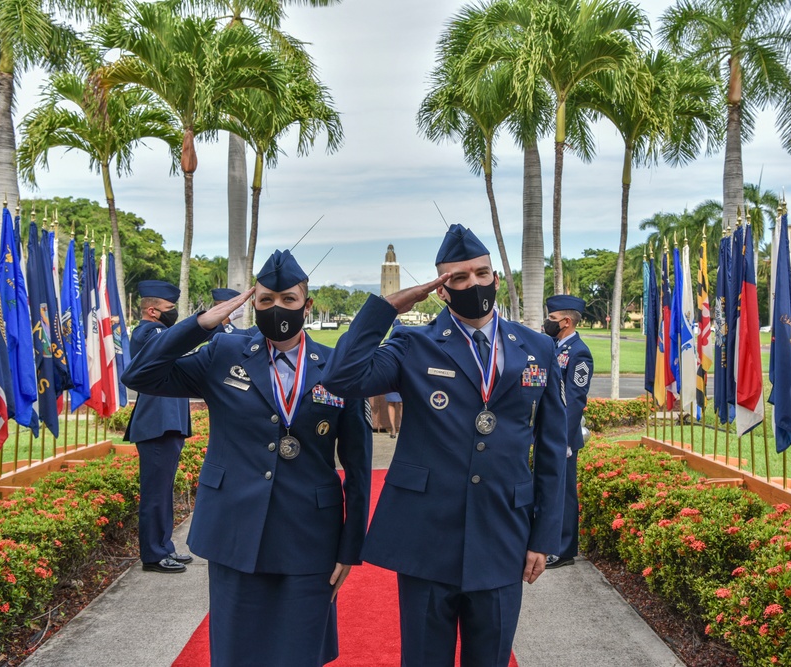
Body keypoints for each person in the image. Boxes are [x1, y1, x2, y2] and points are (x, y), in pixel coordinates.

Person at [322, 224, 567, 667]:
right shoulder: (412, 344)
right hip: (426, 535)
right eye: (458, 278)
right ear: (442, 290)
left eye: (481, 273)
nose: (473, 283)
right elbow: (341, 377)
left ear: (494, 275)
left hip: (503, 534)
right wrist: (385, 309)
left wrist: (545, 536)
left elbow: (551, 449)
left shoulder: (537, 348)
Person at [122, 250, 372, 667]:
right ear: (253, 304)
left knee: (301, 650)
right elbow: (141, 374)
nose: (278, 309)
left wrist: (350, 547)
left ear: (306, 305)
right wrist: (200, 325)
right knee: (238, 652)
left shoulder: (335, 366)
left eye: (289, 300)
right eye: (267, 300)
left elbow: (359, 467)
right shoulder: (222, 354)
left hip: (310, 536)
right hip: (234, 529)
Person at [125, 280, 193, 574]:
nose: (173, 312)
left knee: (163, 490)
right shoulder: (148, 332)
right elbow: (173, 343)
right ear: (152, 311)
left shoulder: (160, 332)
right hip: (157, 423)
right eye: (169, 308)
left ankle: (164, 546)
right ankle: (153, 554)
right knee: (155, 492)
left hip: (168, 421)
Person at [543, 295, 594, 569]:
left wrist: (562, 438)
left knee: (563, 492)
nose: (547, 323)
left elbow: (575, 400)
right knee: (548, 489)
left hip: (563, 437)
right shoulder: (553, 345)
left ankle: (564, 550)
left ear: (565, 321)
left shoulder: (579, 352)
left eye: (551, 319)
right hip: (548, 432)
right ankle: (546, 543)